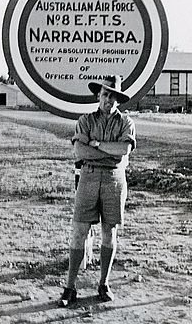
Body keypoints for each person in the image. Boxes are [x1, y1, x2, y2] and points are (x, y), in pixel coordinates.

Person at [58, 75, 136, 307]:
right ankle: (70, 288)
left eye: (113, 97)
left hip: (114, 181)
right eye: (105, 95)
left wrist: (98, 145)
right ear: (98, 96)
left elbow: (123, 151)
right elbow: (80, 153)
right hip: (89, 178)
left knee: (109, 233)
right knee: (79, 231)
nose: (108, 101)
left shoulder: (126, 123)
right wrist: (108, 155)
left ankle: (103, 283)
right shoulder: (86, 120)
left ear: (118, 100)